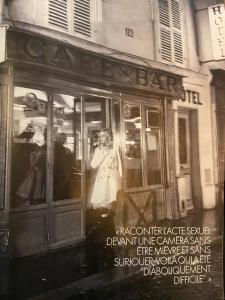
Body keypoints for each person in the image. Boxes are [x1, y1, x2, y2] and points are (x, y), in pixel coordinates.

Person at [90, 128, 122, 210]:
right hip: (101, 177)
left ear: (108, 137)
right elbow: (93, 165)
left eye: (103, 136)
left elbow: (119, 165)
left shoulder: (115, 149)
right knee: (101, 200)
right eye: (100, 136)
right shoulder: (98, 150)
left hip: (113, 177)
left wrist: (121, 178)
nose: (101, 138)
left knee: (113, 200)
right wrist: (103, 154)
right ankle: (103, 219)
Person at [53, 133, 73, 200]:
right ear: (58, 139)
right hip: (60, 174)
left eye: (65, 138)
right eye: (64, 138)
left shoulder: (64, 149)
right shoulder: (60, 148)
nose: (65, 140)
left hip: (59, 174)